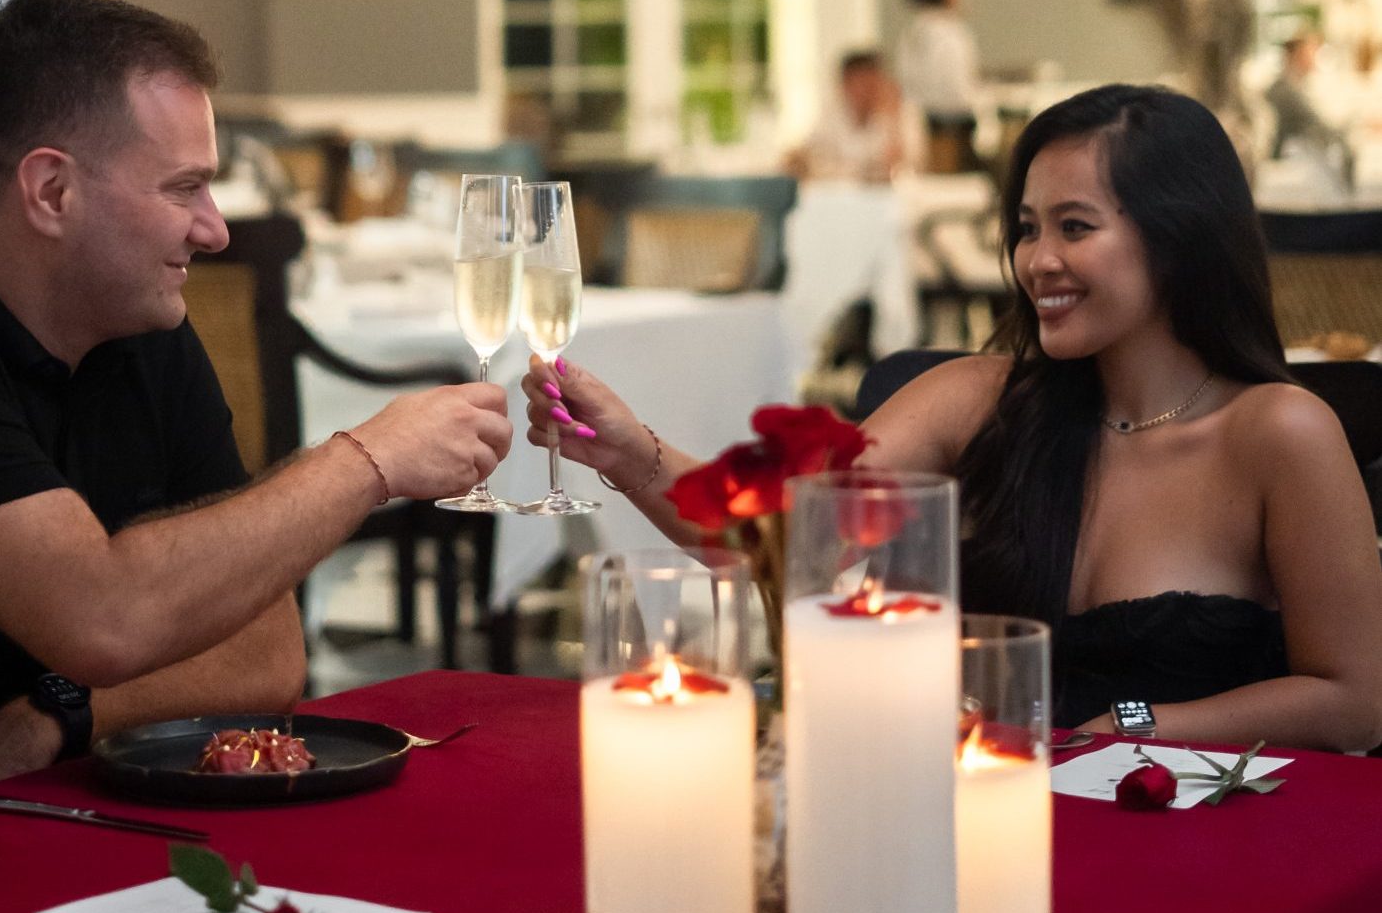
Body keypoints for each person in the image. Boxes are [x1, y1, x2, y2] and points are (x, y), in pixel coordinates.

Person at [0, 0, 511, 862]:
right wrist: (367, 460)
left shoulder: (139, 333)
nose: (216, 229)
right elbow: (105, 617)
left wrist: (51, 716)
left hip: (16, 834)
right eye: (184, 187)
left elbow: (267, 652)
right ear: (51, 190)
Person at [522, 85, 1382, 751]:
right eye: (1026, 228)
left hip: (1191, 834)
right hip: (979, 807)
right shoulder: (979, 400)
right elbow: (776, 535)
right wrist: (626, 451)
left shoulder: (1278, 433)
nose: (1037, 261)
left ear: (1179, 236)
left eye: (1074, 227)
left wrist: (1133, 727)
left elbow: (1353, 700)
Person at [784, 49, 921, 183]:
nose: (867, 89)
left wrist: (893, 121)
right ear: (845, 84)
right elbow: (807, 153)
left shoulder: (902, 113)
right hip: (841, 194)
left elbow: (908, 165)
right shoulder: (833, 113)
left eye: (873, 81)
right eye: (860, 81)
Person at [895, 0, 982, 173]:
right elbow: (956, 86)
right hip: (949, 126)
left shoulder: (911, 33)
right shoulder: (951, 33)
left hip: (918, 121)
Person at [1266, 31, 1353, 189]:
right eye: (1310, 52)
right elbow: (1320, 124)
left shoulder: (1295, 86)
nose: (1314, 58)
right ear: (1295, 56)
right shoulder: (1285, 91)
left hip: (1296, 161)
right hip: (1286, 165)